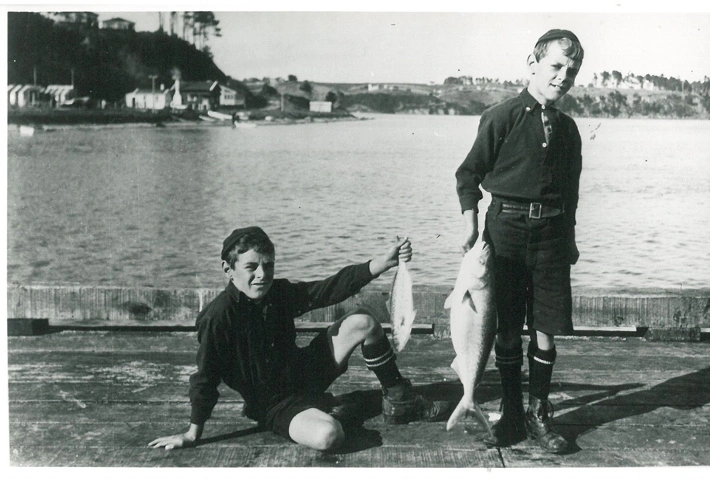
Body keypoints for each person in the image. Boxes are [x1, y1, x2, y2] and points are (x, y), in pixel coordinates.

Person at [149, 226, 448, 452]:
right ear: (229, 270)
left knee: (363, 321)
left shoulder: (278, 292)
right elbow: (205, 378)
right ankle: (344, 408)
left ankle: (401, 399)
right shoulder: (218, 318)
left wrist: (381, 264)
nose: (262, 275)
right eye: (251, 267)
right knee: (328, 436)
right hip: (275, 405)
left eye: (269, 265)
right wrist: (192, 433)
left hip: (304, 372)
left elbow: (328, 290)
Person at [455, 29, 584, 454]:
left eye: (572, 69)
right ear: (532, 63)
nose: (564, 76)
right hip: (504, 234)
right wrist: (471, 225)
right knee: (506, 330)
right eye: (556, 66)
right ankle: (511, 412)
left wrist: (569, 239)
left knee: (546, 330)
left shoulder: (568, 130)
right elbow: (468, 175)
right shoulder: (501, 116)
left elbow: (571, 192)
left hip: (551, 239)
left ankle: (538, 413)